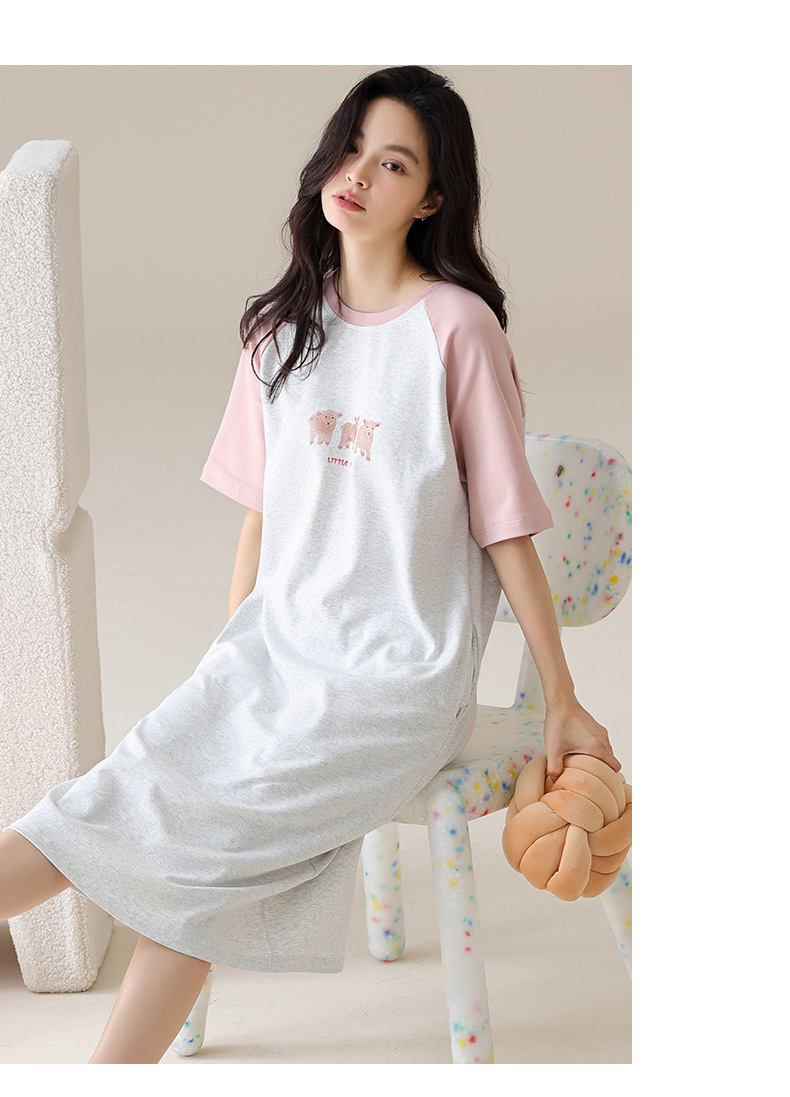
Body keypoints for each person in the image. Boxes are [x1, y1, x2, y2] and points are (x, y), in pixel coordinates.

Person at [0, 65, 622, 1064]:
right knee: (114, 791)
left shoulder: (455, 329)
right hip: (274, 653)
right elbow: (262, 513)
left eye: (394, 164)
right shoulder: (278, 328)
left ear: (433, 198)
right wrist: (228, 658)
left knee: (209, 847)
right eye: (350, 149)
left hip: (399, 680)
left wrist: (561, 693)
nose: (359, 175)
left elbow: (505, 525)